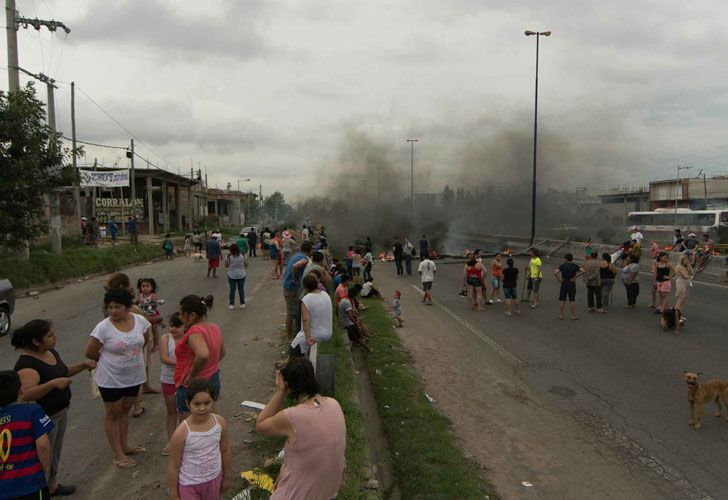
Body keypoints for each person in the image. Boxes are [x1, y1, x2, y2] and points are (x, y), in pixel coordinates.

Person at [12, 320, 95, 496]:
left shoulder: (49, 352)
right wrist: (52, 384)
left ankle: (51, 484)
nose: (55, 337)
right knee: (44, 456)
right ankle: (40, 489)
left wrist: (82, 365)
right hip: (45, 419)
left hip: (60, 413)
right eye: (49, 335)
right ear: (36, 341)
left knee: (54, 453)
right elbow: (25, 394)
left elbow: (62, 372)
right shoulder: (27, 365)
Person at [256, 357, 346, 499]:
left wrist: (280, 392)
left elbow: (261, 425)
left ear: (288, 384)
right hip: (329, 490)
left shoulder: (292, 416)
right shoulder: (334, 404)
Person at [85, 287, 151, 469]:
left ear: (128, 307)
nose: (113, 311)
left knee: (125, 410)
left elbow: (144, 340)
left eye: (117, 307)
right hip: (111, 378)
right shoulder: (103, 327)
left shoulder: (140, 321)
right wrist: (107, 362)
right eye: (110, 307)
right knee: (113, 413)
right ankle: (118, 454)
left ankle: (125, 446)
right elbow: (90, 351)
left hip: (134, 376)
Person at [167, 379, 232, 500]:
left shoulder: (219, 423)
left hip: (214, 480)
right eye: (196, 404)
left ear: (213, 401)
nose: (202, 408)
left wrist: (227, 476)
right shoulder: (182, 432)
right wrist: (173, 494)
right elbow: (174, 465)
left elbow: (225, 450)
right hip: (189, 485)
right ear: (188, 404)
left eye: (207, 403)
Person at [0, 370, 54, 500]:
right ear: (20, 390)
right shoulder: (32, 411)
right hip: (31, 483)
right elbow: (42, 444)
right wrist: (45, 469)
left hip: (4, 489)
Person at [175, 295, 223, 420]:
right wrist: (210, 367)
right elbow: (221, 352)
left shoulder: (194, 332)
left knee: (191, 427)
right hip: (213, 378)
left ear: (191, 315)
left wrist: (192, 376)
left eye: (181, 314)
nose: (179, 317)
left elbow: (202, 354)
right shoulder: (213, 327)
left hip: (193, 386)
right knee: (212, 420)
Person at [160, 313, 185, 457]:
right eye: (171, 326)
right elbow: (164, 358)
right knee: (171, 410)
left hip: (184, 379)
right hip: (169, 379)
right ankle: (171, 440)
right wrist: (182, 364)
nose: (173, 329)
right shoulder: (165, 338)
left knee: (184, 410)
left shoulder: (189, 338)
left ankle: (185, 439)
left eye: (177, 326)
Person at [290, 274, 333, 356]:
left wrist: (307, 337)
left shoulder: (306, 299)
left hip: (315, 333)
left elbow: (306, 320)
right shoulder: (325, 294)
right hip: (328, 332)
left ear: (305, 287)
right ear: (317, 283)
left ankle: (293, 364)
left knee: (294, 347)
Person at [137, 278, 163, 396]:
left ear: (152, 288)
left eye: (148, 286)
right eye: (143, 286)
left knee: (154, 328)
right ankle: (142, 387)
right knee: (143, 359)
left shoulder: (152, 297)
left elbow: (152, 308)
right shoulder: (138, 297)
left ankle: (157, 343)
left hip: (151, 313)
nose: (145, 288)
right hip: (146, 321)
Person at [283, 241, 312, 339]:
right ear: (309, 250)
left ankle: (292, 337)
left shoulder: (296, 255)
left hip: (288, 287)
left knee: (293, 313)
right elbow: (295, 266)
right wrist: (294, 280)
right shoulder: (304, 259)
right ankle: (290, 339)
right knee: (291, 314)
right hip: (292, 289)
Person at [554, 253, 584, 320]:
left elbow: (555, 272)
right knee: (572, 299)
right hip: (572, 283)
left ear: (566, 259)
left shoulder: (563, 265)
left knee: (562, 299)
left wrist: (559, 280)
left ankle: (561, 315)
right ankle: (572, 315)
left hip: (564, 283)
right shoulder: (574, 266)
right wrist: (575, 277)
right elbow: (582, 271)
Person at [225, 243, 247, 310]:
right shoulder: (243, 255)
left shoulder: (228, 256)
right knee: (241, 289)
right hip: (241, 274)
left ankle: (231, 304)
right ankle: (242, 303)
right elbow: (246, 265)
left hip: (232, 275)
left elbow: (226, 265)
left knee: (232, 290)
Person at [674, 253, 693, 318]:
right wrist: (690, 276)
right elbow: (685, 276)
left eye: (687, 259)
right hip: (681, 283)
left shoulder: (686, 266)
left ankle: (679, 314)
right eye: (684, 259)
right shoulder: (679, 267)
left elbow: (692, 273)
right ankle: (676, 315)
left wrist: (689, 265)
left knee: (683, 300)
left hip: (686, 284)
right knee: (680, 299)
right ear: (681, 260)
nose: (686, 260)